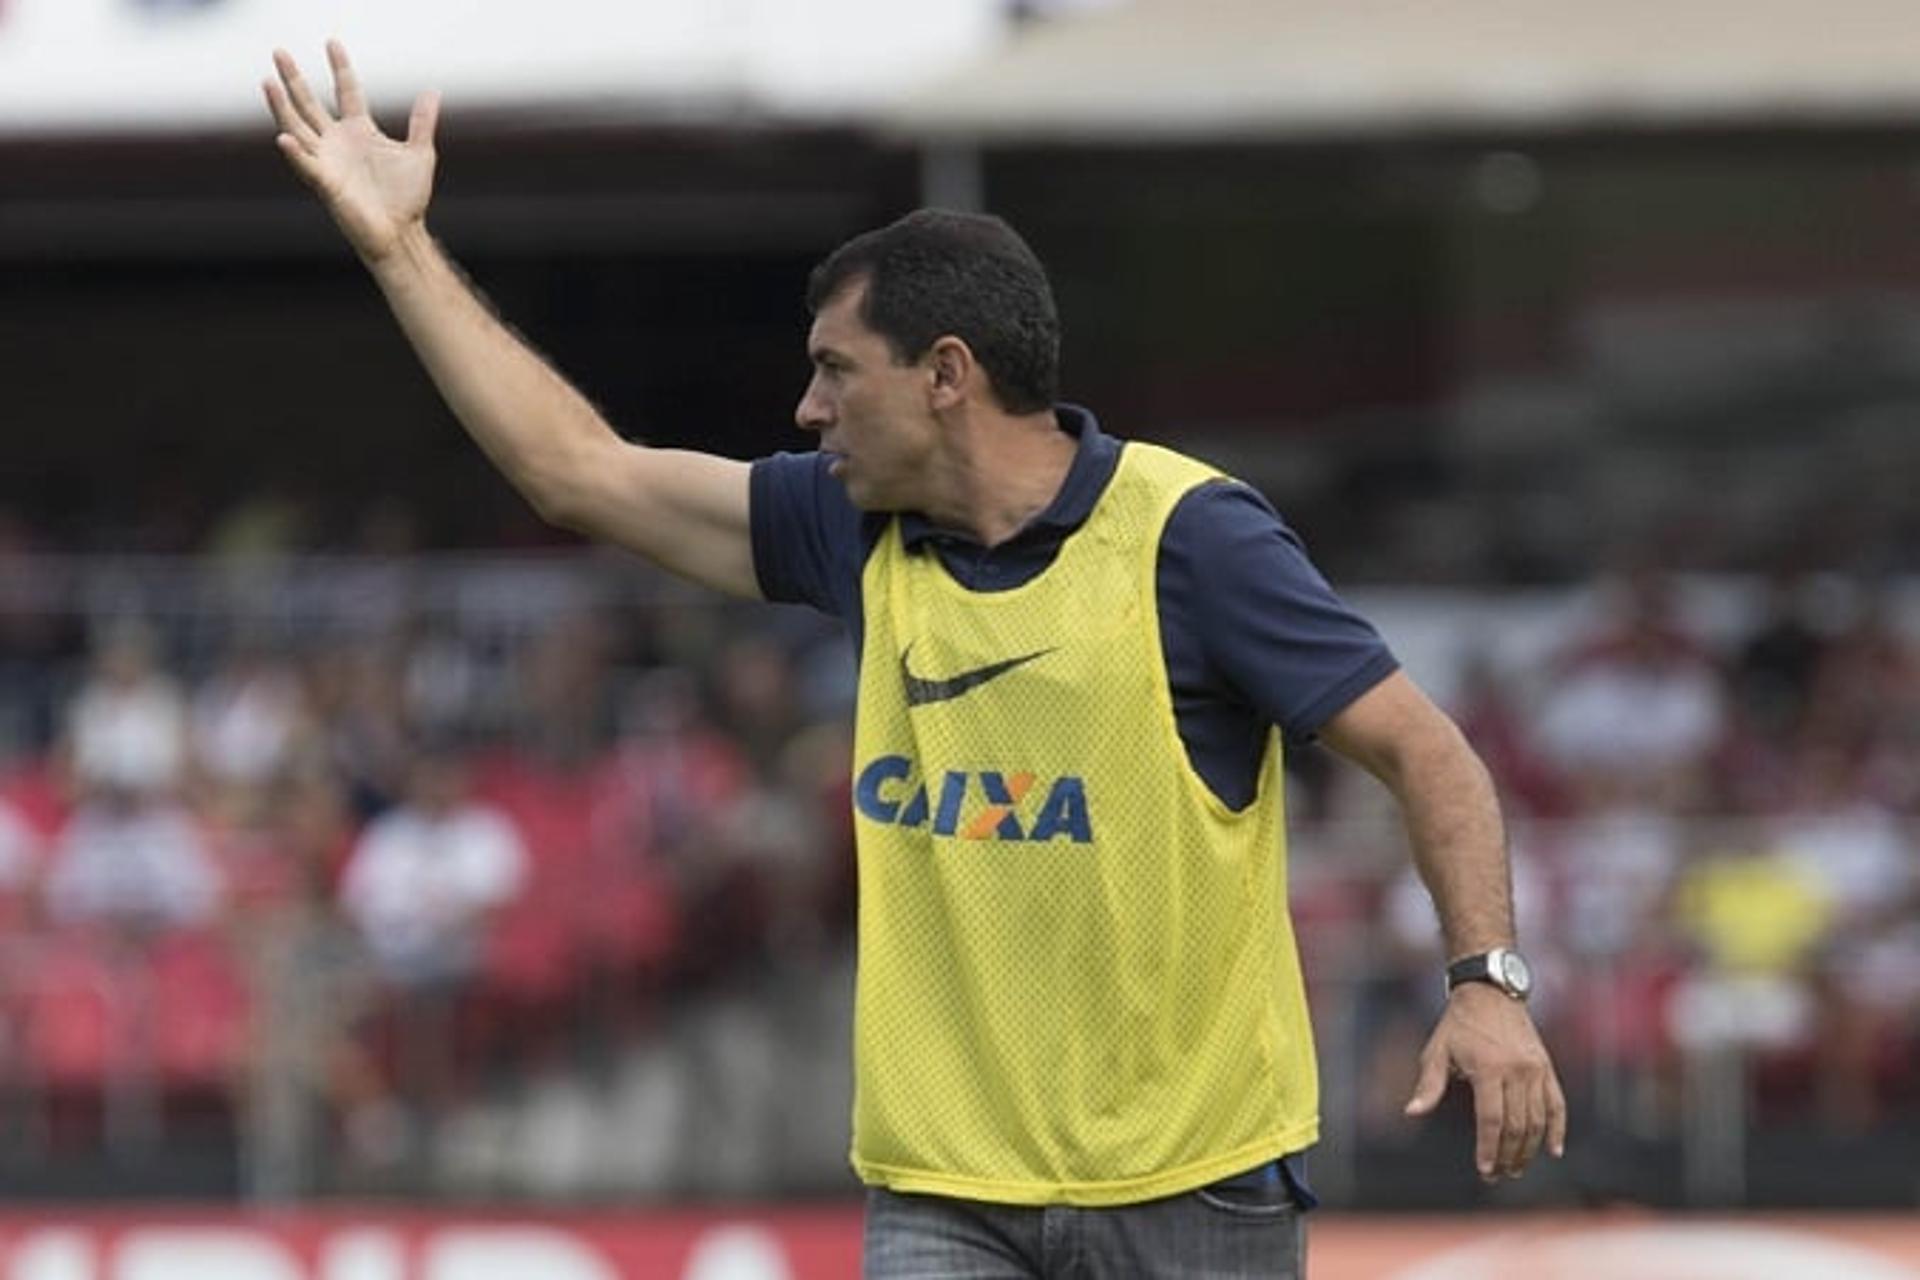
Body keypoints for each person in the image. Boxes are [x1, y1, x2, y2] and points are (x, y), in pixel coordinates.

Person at [264, 42, 1564, 1278]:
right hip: (944, 1197)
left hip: (1195, 1187)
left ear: (946, 375)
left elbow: (1425, 751)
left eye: (837, 372)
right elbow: (579, 475)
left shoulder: (1190, 540)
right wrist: (400, 248)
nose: (807, 411)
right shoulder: (848, 524)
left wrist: (1487, 988)